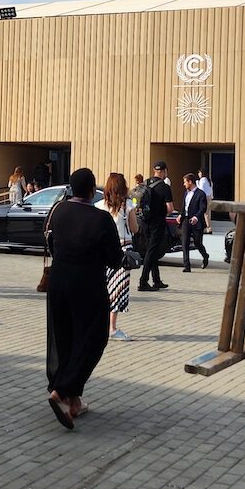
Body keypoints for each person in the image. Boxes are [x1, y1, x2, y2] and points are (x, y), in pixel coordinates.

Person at [44, 168, 125, 430]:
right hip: (87, 285)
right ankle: (61, 391)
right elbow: (114, 258)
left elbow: (50, 243)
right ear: (93, 190)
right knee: (93, 338)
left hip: (58, 281)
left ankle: (73, 401)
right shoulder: (100, 219)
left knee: (64, 337)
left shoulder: (58, 211)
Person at [96, 173, 138, 342]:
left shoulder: (99, 206)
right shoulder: (127, 206)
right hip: (122, 251)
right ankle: (112, 328)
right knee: (117, 289)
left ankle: (102, 325)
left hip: (102, 251)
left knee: (103, 288)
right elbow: (135, 229)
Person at [137, 161, 174, 292]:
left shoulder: (145, 183)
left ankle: (156, 280)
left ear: (154, 170)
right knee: (151, 251)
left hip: (144, 222)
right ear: (164, 171)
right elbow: (170, 208)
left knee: (150, 250)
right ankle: (143, 281)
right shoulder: (164, 187)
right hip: (157, 223)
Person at [179, 173, 210, 272]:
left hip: (196, 222)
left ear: (190, 182)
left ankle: (205, 256)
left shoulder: (201, 194)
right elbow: (184, 207)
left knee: (197, 242)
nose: (184, 184)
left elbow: (203, 208)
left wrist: (196, 217)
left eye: (185, 182)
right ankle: (187, 266)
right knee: (185, 243)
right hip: (186, 221)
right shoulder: (185, 193)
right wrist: (181, 215)